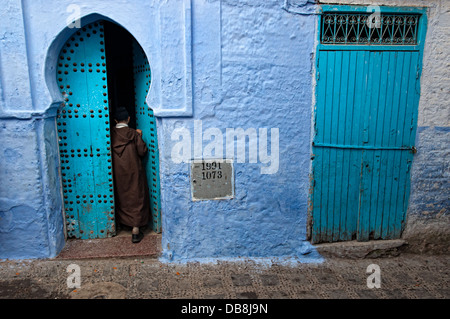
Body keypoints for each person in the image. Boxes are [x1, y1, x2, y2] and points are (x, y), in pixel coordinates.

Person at [111, 106, 150, 243]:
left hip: (118, 172)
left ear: (115, 120)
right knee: (136, 197)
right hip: (134, 171)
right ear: (128, 119)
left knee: (123, 196)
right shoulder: (133, 134)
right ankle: (136, 229)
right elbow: (142, 151)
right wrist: (139, 135)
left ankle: (122, 223)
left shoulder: (109, 135)